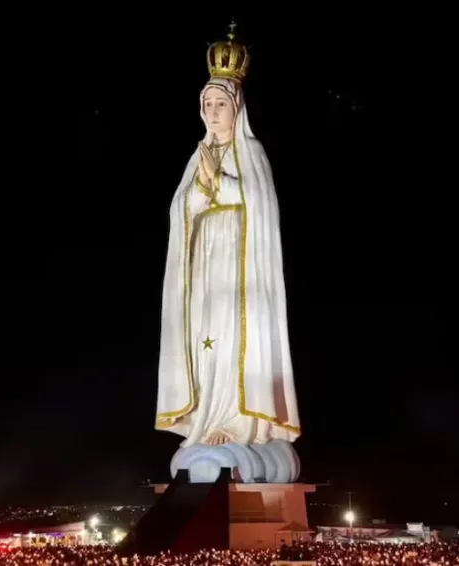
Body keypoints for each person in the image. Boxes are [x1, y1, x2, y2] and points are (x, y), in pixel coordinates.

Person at [155, 26, 300, 448]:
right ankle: (206, 417)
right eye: (208, 104)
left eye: (222, 104)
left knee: (236, 339)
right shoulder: (197, 155)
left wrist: (220, 182)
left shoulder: (251, 153)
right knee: (206, 343)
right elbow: (179, 210)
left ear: (237, 108)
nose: (215, 111)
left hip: (240, 269)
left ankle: (239, 423)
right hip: (206, 268)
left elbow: (260, 206)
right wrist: (201, 190)